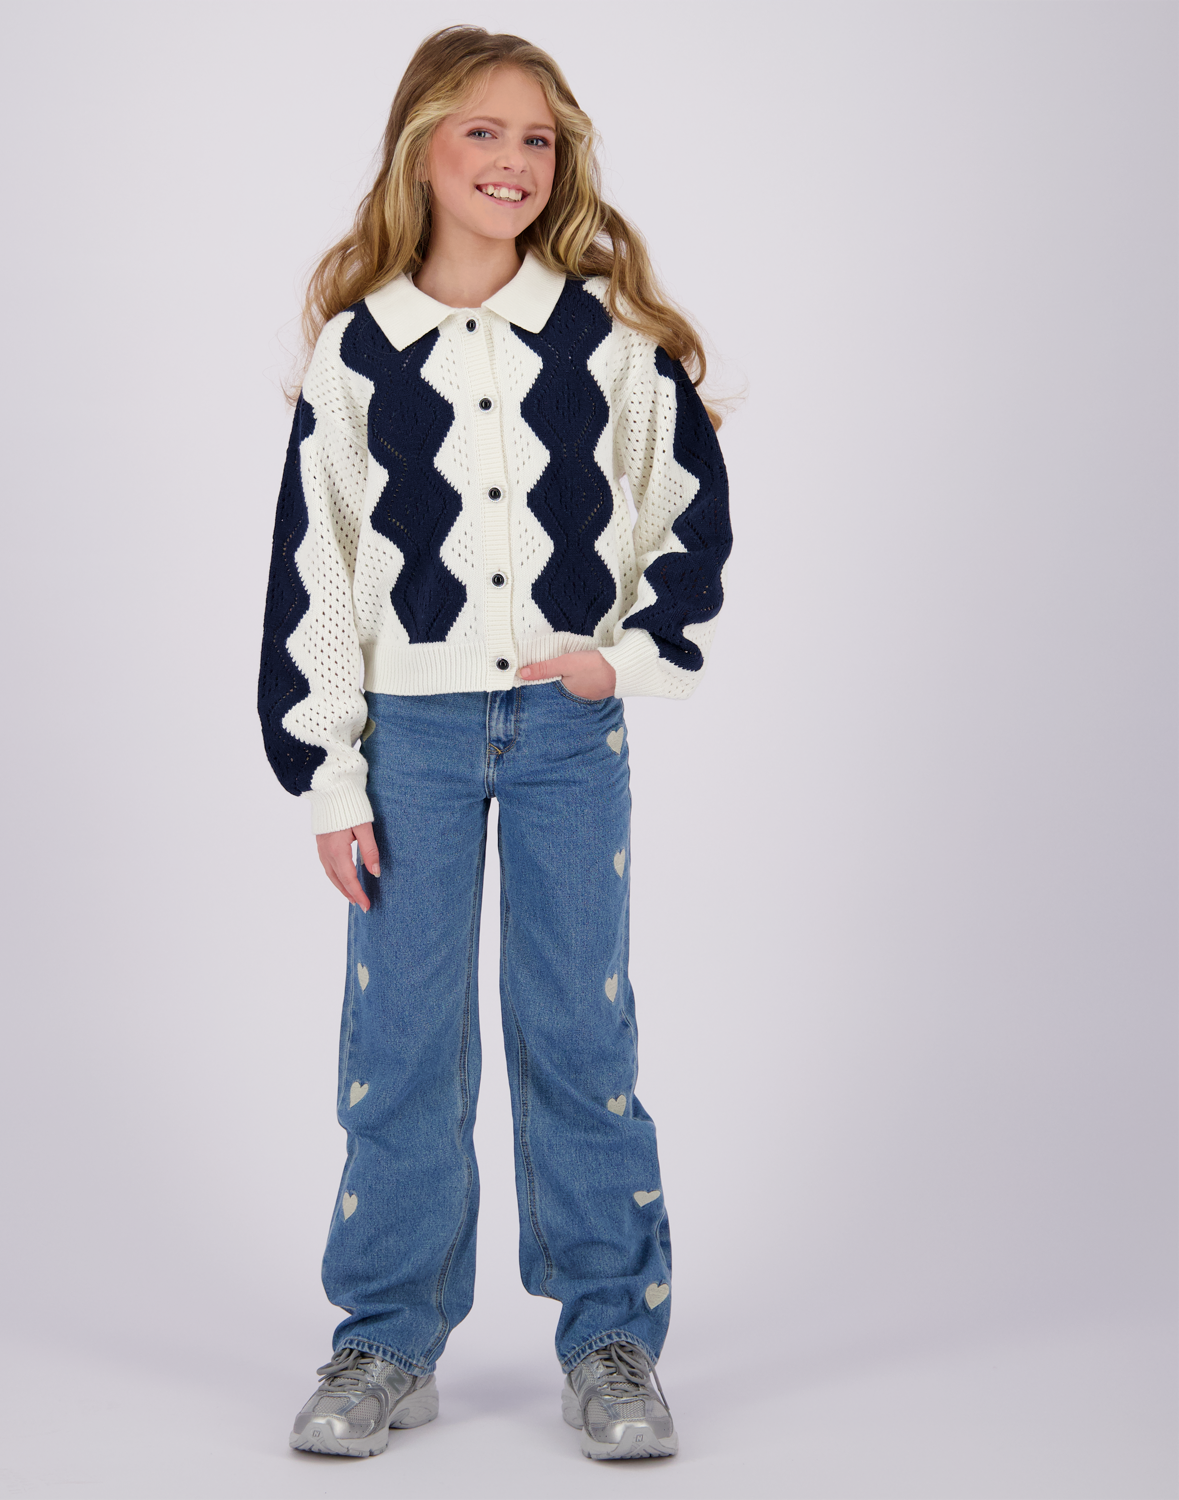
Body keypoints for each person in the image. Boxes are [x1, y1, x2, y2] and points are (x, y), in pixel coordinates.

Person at [256, 25, 731, 1463]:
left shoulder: (611, 340)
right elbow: (316, 572)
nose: (513, 161)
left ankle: (611, 1334)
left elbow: (689, 519)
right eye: (483, 132)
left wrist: (619, 660)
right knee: (402, 1038)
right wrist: (330, 776)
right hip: (407, 738)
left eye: (538, 139)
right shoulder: (358, 350)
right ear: (421, 149)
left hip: (567, 735)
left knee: (578, 1027)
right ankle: (386, 1334)